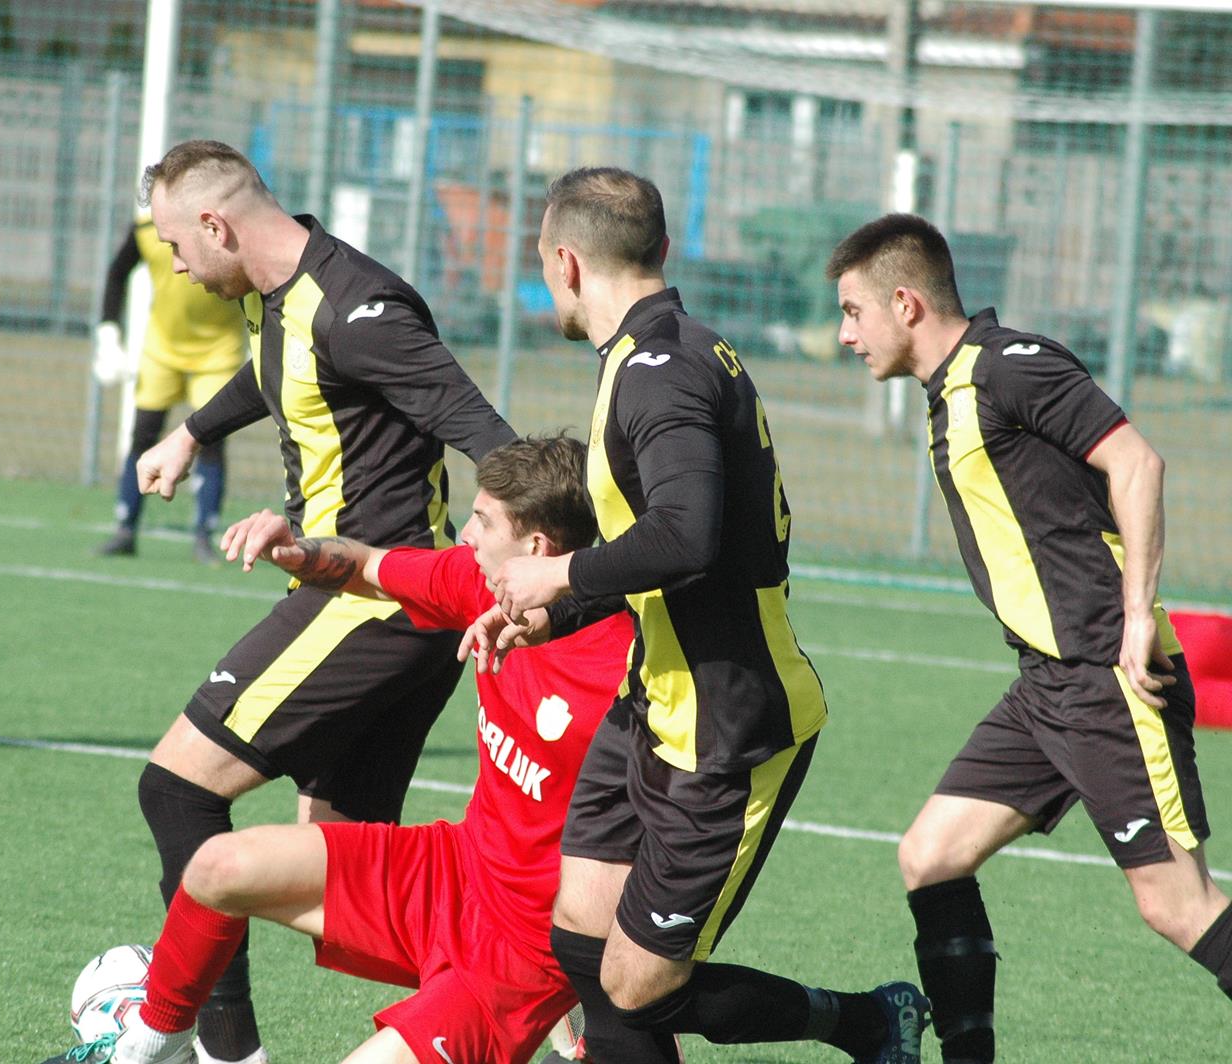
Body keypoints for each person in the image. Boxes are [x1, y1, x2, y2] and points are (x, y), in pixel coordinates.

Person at [466, 168, 927, 1063]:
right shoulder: (659, 351)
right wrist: (553, 616)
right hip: (655, 703)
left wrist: (555, 576)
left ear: (564, 262)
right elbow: (663, 553)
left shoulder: (658, 372)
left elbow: (689, 537)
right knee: (582, 942)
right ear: (663, 250)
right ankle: (866, 1024)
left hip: (730, 729)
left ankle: (866, 1021)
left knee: (638, 986)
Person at [43, 435, 656, 1064]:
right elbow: (368, 564)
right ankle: (152, 1042)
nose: (465, 534)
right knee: (214, 868)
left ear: (537, 550)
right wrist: (297, 549)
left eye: (483, 520)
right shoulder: (481, 585)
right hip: (449, 871)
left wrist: (617, 995)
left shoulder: (635, 669)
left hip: (521, 959)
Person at [115, 140, 515, 1064]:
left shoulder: (362, 310)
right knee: (350, 863)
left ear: (217, 226)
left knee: (176, 789)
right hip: (387, 610)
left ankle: (223, 1053)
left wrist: (536, 573)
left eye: (179, 246)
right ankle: (553, 1009)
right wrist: (191, 435)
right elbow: (274, 373)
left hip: (374, 598)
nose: (175, 265)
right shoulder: (280, 292)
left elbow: (483, 431)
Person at [826, 213, 1231, 1061]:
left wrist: (1136, 617)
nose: (844, 334)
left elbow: (1138, 463)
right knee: (930, 856)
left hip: (1107, 679)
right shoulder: (953, 388)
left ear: (905, 303)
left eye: (853, 312)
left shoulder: (1010, 367)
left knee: (1175, 904)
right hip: (1045, 687)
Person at [90, 216, 248, 561]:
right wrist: (107, 332)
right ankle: (125, 527)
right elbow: (117, 274)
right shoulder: (148, 229)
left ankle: (205, 535)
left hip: (218, 351)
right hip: (162, 349)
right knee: (143, 434)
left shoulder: (225, 228)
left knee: (211, 438)